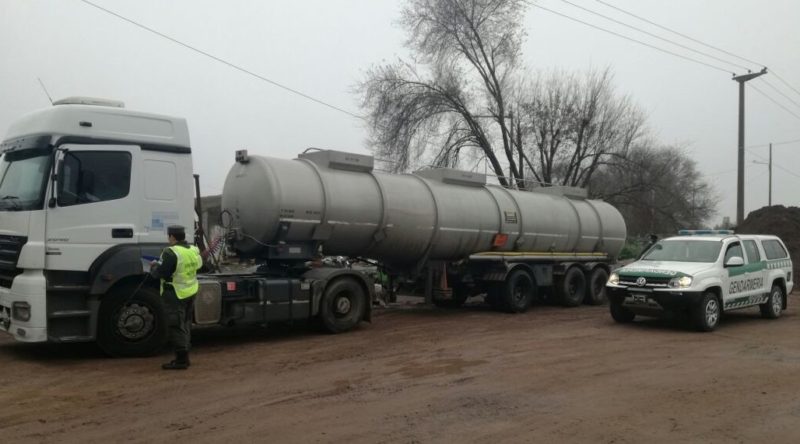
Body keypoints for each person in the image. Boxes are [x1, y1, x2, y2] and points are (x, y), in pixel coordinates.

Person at [149, 225, 203, 370]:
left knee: (176, 325)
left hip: (175, 293)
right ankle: (185, 352)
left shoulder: (170, 252)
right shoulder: (193, 250)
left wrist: (153, 267)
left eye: (169, 236)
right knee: (185, 323)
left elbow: (160, 273)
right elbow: (199, 266)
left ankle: (181, 360)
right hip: (190, 291)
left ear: (172, 237)